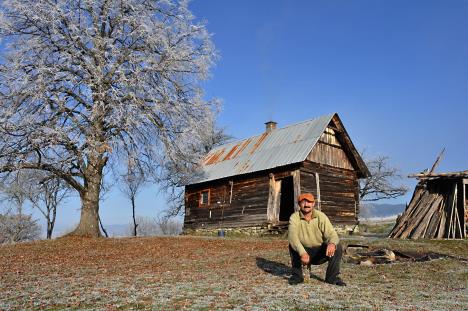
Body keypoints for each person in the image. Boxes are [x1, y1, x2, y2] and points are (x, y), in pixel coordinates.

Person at [288, 193, 346, 286]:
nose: (306, 204)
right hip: (303, 253)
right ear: (299, 204)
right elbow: (292, 237)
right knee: (292, 245)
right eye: (303, 202)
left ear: (313, 203)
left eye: (309, 202)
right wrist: (302, 252)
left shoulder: (321, 216)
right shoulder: (294, 217)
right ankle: (297, 276)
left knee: (337, 246)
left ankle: (332, 278)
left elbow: (332, 234)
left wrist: (332, 243)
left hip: (320, 252)